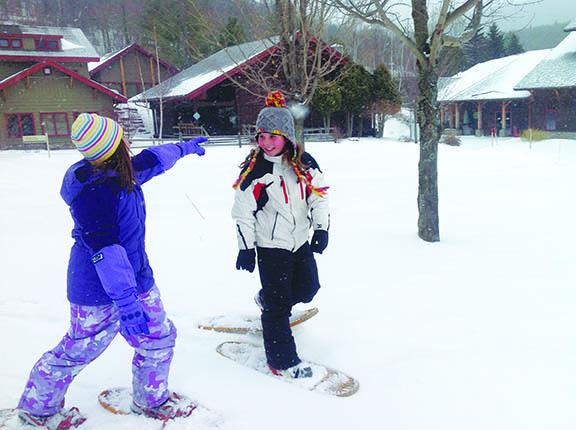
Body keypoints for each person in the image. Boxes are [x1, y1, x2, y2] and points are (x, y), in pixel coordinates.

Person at [15, 113, 206, 428]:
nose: (127, 141)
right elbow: (106, 251)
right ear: (111, 145)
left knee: (157, 337)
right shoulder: (95, 192)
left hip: (137, 277)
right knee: (79, 348)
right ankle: (38, 408)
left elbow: (153, 159)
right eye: (121, 137)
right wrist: (126, 301)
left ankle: (151, 399)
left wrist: (184, 148)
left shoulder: (121, 172)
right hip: (96, 287)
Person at [232, 91, 330, 379]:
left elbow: (318, 197)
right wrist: (246, 248)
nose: (266, 143)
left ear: (286, 136)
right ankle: (282, 360)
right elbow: (242, 212)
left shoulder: (304, 163)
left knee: (309, 288)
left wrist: (321, 228)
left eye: (272, 137)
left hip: (299, 242)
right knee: (278, 309)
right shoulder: (255, 170)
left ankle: (265, 298)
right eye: (261, 137)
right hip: (270, 246)